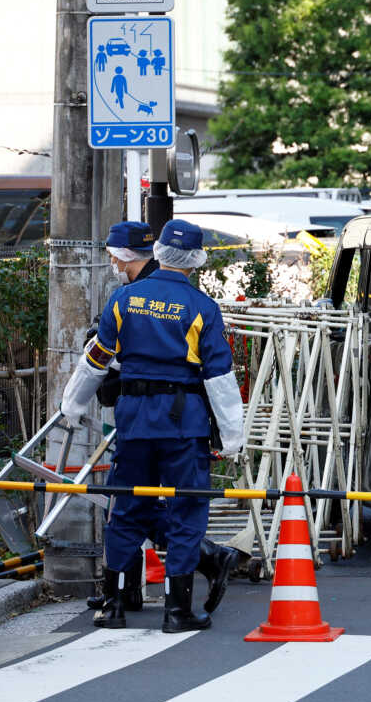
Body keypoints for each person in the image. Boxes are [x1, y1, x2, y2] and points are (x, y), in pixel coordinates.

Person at [61, 219, 245, 633]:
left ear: (158, 251)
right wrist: (233, 437)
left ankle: (112, 606)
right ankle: (177, 611)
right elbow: (219, 378)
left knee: (127, 507)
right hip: (183, 423)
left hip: (134, 420)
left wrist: (71, 405)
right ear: (196, 261)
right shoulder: (202, 308)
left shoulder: (124, 300)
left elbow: (96, 360)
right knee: (186, 509)